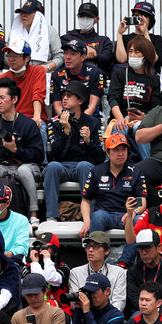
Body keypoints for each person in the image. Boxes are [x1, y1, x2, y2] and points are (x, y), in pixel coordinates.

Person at [0, 79, 45, 228]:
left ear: (14, 99)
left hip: (25, 165)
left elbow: (38, 155)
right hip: (1, 166)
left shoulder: (28, 124)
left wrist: (16, 150)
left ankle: (33, 214)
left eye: (2, 98)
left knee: (23, 170)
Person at [44, 81, 104, 221]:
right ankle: (51, 216)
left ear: (80, 100)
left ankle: (88, 216)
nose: (64, 98)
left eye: (69, 95)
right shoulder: (55, 122)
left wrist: (88, 142)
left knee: (84, 166)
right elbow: (55, 155)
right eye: (63, 95)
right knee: (52, 167)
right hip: (61, 166)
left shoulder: (92, 122)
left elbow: (100, 158)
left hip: (83, 166)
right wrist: (66, 132)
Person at [51, 37, 106, 117]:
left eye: (72, 54)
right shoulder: (57, 75)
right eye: (66, 53)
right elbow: (58, 106)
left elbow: (92, 106)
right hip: (63, 118)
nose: (67, 57)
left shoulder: (95, 73)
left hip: (89, 118)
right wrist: (67, 120)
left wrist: (78, 122)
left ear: (83, 57)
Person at [63, 2, 115, 74]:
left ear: (96, 20)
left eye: (88, 17)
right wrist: (85, 49)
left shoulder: (104, 40)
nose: (85, 19)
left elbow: (107, 59)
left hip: (95, 77)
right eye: (82, 16)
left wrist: (95, 55)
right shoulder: (68, 37)